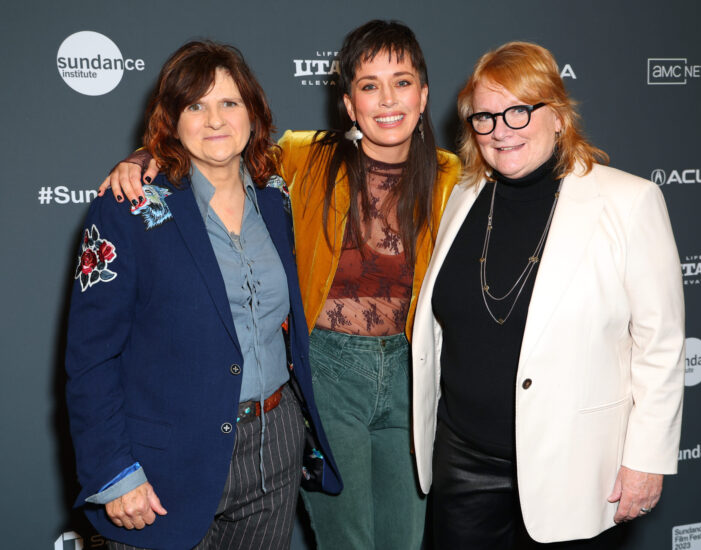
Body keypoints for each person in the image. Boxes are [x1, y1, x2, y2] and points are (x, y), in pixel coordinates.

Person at [99, 21, 461, 550]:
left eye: (402, 82)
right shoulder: (303, 155)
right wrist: (143, 157)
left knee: (405, 540)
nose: (388, 99)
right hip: (329, 370)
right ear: (349, 103)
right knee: (349, 541)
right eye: (369, 85)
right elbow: (217, 142)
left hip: (413, 374)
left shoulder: (456, 177)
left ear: (424, 95)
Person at [66, 41, 340, 550]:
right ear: (172, 120)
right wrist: (113, 472)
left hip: (273, 447)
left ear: (253, 113)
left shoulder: (276, 197)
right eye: (195, 105)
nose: (215, 119)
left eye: (229, 103)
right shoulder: (129, 207)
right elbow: (91, 357)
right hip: (164, 460)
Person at [410, 41, 685, 548]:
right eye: (485, 117)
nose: (501, 130)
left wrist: (646, 459)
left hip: (574, 465)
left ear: (557, 116)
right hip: (463, 460)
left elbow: (661, 345)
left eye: (519, 111)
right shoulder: (463, 196)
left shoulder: (629, 202)